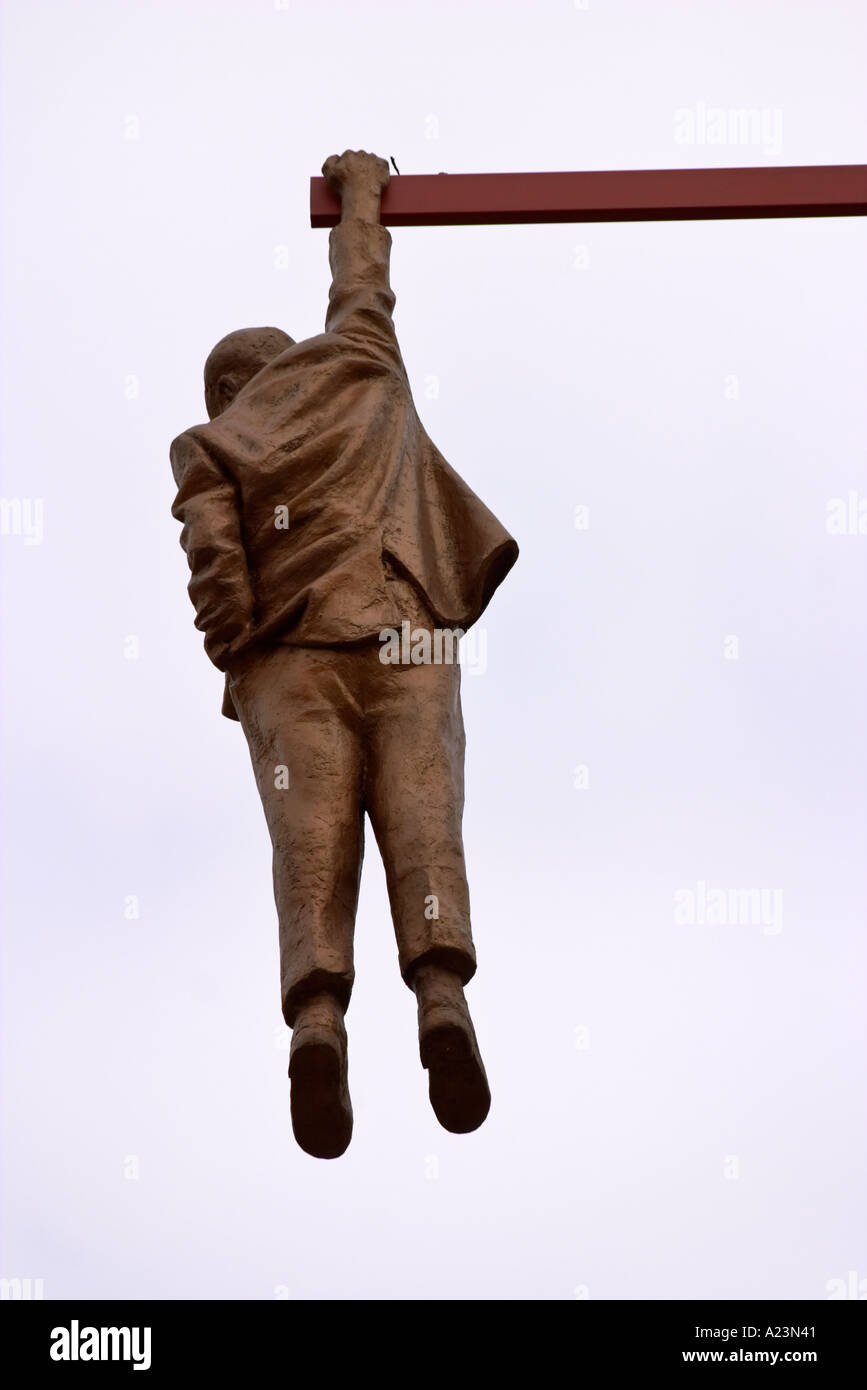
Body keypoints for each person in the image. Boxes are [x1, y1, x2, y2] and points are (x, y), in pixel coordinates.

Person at [170, 150, 518, 1158]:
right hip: (406, 633)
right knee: (424, 817)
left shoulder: (214, 444)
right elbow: (361, 275)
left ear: (230, 383)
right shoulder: (361, 360)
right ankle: (441, 995)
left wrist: (241, 645)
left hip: (293, 662)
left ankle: (319, 1021)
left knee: (310, 846)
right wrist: (362, 187)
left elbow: (212, 565)